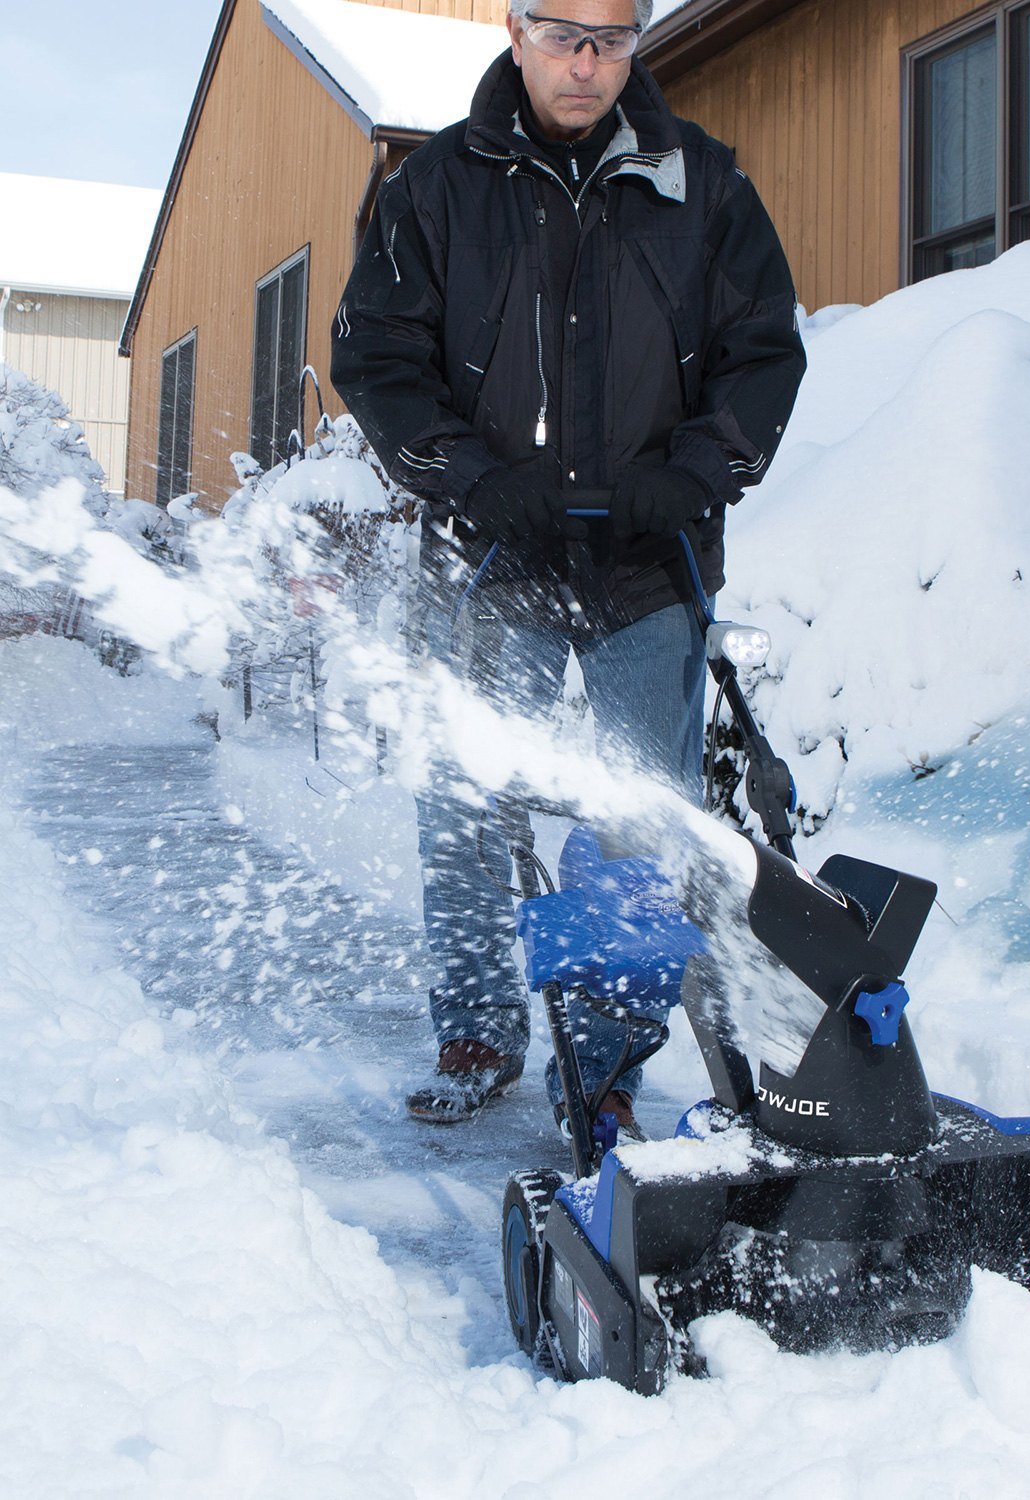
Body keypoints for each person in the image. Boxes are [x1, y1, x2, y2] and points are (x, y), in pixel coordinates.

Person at [330, 0, 806, 1129]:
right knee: (465, 804)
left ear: (636, 41)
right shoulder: (437, 188)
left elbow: (763, 352)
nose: (587, 63)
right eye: (564, 36)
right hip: (501, 556)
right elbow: (379, 358)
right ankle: (479, 1029)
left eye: (613, 38)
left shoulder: (708, 185)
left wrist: (696, 473)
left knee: (638, 823)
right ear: (516, 32)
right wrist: (467, 474)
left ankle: (602, 1070)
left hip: (651, 564)